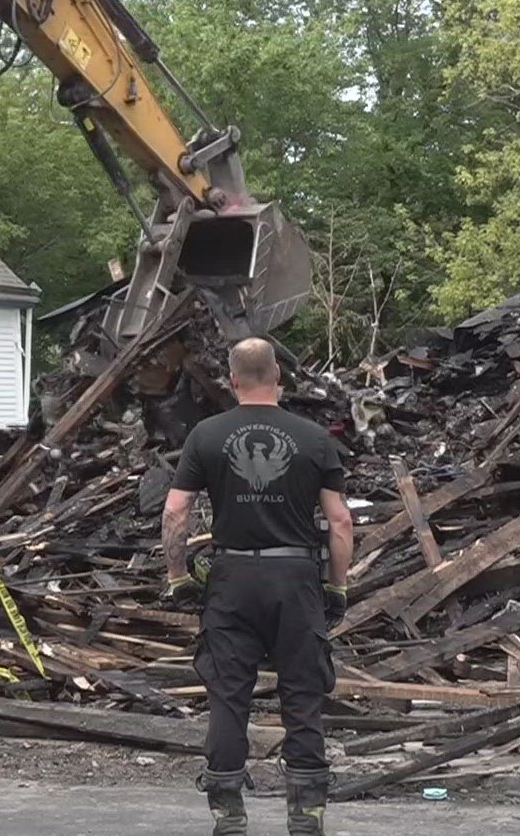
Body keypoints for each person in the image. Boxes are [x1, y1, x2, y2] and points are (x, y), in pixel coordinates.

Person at [162, 337, 354, 836]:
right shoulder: (315, 439)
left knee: (228, 696)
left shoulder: (207, 435)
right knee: (303, 695)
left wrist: (179, 576)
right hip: (295, 580)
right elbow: (340, 524)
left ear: (233, 381)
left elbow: (175, 511)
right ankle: (306, 819)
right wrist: (337, 587)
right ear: (278, 379)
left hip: (233, 580)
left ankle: (229, 818)